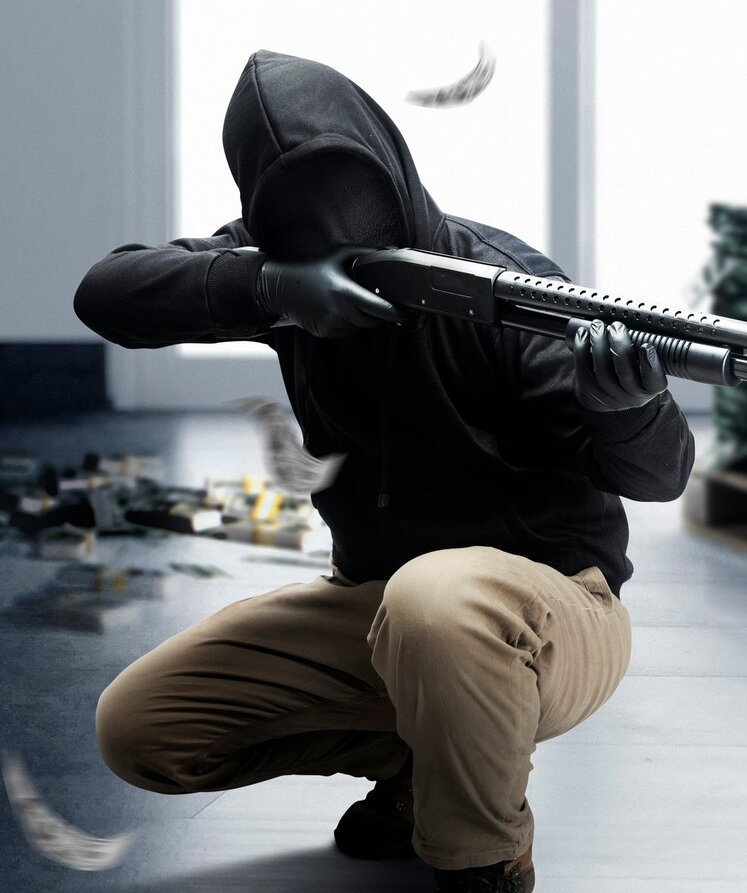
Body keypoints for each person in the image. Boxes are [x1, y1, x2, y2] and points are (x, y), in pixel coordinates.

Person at [74, 50, 695, 893]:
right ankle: (423, 767)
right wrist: (274, 291)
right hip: (379, 608)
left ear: (395, 179)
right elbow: (105, 292)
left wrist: (630, 410)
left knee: (436, 600)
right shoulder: (276, 271)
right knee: (143, 727)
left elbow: (661, 481)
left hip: (555, 614)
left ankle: (483, 857)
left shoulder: (508, 291)